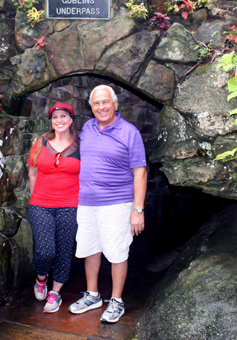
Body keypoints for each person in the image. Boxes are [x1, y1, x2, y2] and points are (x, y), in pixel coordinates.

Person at [68, 85, 147, 323]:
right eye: (96, 104)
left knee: (117, 252)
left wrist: (138, 210)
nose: (101, 107)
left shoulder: (129, 132)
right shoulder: (88, 128)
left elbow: (140, 172)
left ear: (115, 104)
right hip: (87, 202)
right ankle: (93, 296)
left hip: (117, 203)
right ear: (91, 108)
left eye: (105, 102)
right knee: (90, 248)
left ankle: (116, 300)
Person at [28, 102, 80, 314]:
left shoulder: (80, 145)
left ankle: (55, 292)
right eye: (55, 117)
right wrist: (35, 198)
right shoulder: (40, 143)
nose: (59, 120)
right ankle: (41, 279)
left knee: (64, 251)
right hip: (41, 204)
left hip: (70, 205)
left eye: (63, 116)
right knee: (45, 250)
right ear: (51, 121)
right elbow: (32, 173)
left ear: (71, 120)